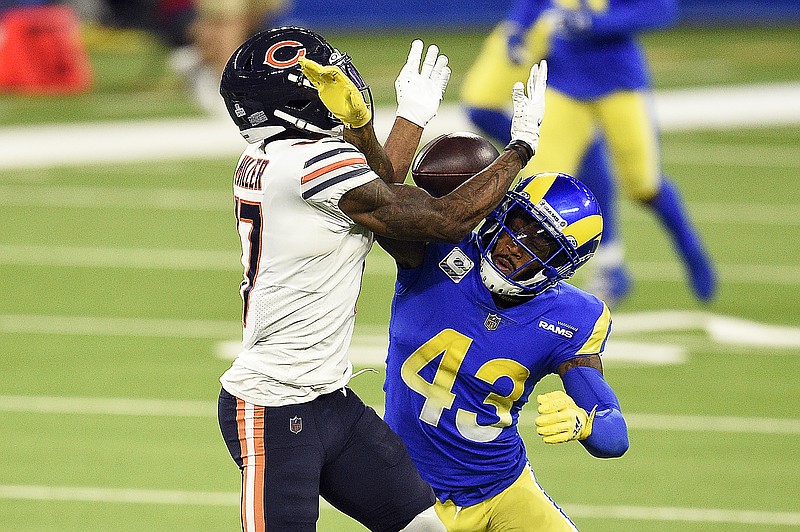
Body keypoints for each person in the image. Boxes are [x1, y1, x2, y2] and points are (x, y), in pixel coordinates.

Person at [215, 26, 548, 531]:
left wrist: (397, 120)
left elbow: (379, 184)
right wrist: (520, 146)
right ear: (291, 101)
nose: (335, 85)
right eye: (316, 82)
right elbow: (443, 220)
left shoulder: (279, 158)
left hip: (332, 402)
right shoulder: (312, 164)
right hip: (274, 408)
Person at [378, 169, 630, 531]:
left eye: (539, 243)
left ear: (558, 262)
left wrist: (584, 424)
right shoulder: (436, 253)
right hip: (416, 497)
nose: (515, 242)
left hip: (504, 488)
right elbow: (381, 201)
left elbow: (614, 435)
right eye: (518, 223)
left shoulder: (571, 317)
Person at [461, 0, 717, 305]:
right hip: (564, 81)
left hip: (619, 81)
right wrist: (520, 26)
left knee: (643, 184)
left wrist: (596, 23)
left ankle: (691, 251)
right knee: (539, 191)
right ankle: (530, 279)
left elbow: (661, 9)